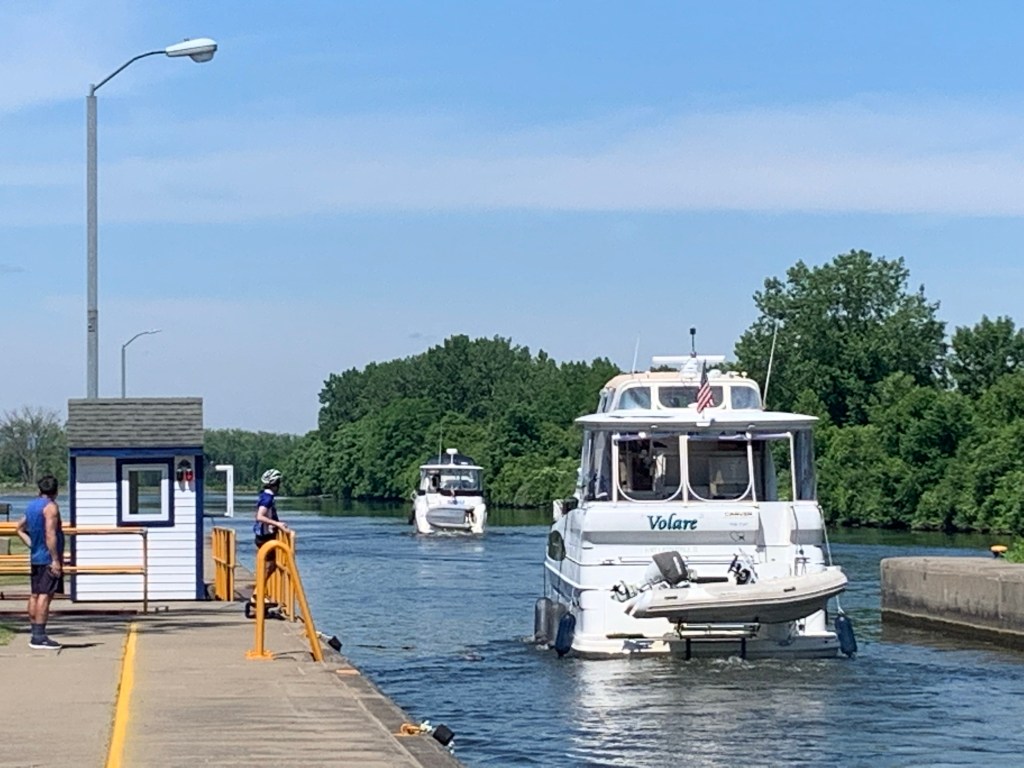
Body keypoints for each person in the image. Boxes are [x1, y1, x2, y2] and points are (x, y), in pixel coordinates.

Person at [15, 475, 65, 650]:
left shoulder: (32, 505)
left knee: (35, 594)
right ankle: (39, 637)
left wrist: (32, 544)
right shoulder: (51, 507)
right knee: (44, 594)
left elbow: (19, 528)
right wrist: (55, 559)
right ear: (56, 491)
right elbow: (50, 534)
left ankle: (35, 633)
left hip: (36, 556)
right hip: (46, 558)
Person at [252, 468, 288, 596]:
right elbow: (259, 516)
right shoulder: (267, 499)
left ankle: (259, 592)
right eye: (278, 483)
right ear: (275, 484)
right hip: (265, 537)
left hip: (263, 536)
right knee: (270, 566)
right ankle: (258, 592)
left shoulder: (264, 496)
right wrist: (278, 524)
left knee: (269, 565)